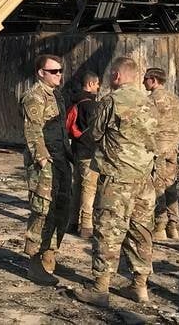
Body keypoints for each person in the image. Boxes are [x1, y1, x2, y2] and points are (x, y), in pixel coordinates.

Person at [73, 57, 157, 307]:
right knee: (141, 233)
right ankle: (140, 288)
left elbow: (95, 133)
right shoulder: (150, 103)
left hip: (118, 179)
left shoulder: (111, 101)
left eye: (111, 76)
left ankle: (100, 289)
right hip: (145, 179)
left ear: (118, 77)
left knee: (108, 232)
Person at [20, 54, 72, 286]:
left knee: (61, 210)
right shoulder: (34, 97)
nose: (59, 74)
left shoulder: (56, 95)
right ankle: (34, 262)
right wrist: (43, 162)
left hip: (61, 160)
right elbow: (33, 131)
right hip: (46, 163)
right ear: (41, 73)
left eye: (60, 70)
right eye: (53, 71)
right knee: (42, 211)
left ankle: (49, 256)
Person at [144, 67, 179, 240]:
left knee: (157, 186)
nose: (143, 82)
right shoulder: (176, 100)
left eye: (145, 78)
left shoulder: (150, 101)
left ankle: (159, 225)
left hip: (157, 150)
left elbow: (145, 126)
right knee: (171, 185)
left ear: (153, 80)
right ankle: (173, 225)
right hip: (172, 148)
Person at [66, 72, 101, 239]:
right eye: (97, 84)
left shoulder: (73, 101)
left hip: (76, 151)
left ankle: (72, 222)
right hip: (89, 153)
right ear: (91, 84)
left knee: (77, 187)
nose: (99, 87)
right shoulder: (92, 106)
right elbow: (97, 131)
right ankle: (86, 225)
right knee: (89, 189)